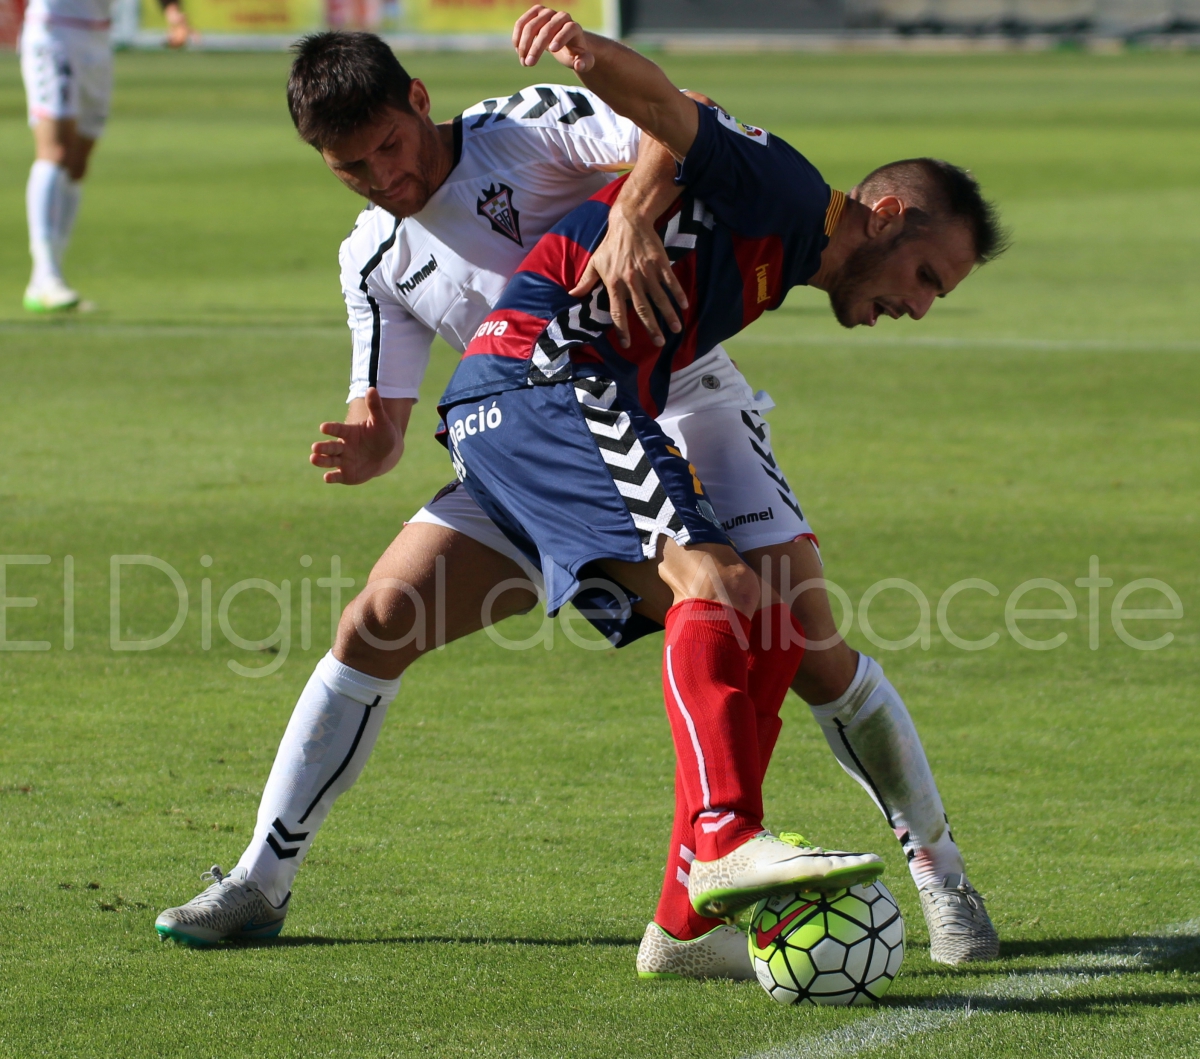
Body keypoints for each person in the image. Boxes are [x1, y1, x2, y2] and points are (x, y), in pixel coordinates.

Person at [156, 28, 1000, 971]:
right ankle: (260, 878)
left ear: (420, 101)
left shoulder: (526, 125)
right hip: (539, 406)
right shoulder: (370, 258)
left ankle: (935, 874)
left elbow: (677, 119)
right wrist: (369, 440)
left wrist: (633, 212)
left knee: (798, 637)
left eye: (389, 145)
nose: (384, 176)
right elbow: (385, 417)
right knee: (378, 620)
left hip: (674, 393)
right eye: (352, 168)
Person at [19, 0, 190, 312]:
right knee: (56, 150)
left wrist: (172, 12)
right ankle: (46, 274)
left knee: (77, 163)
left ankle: (46, 278)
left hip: (97, 37)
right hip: (54, 29)